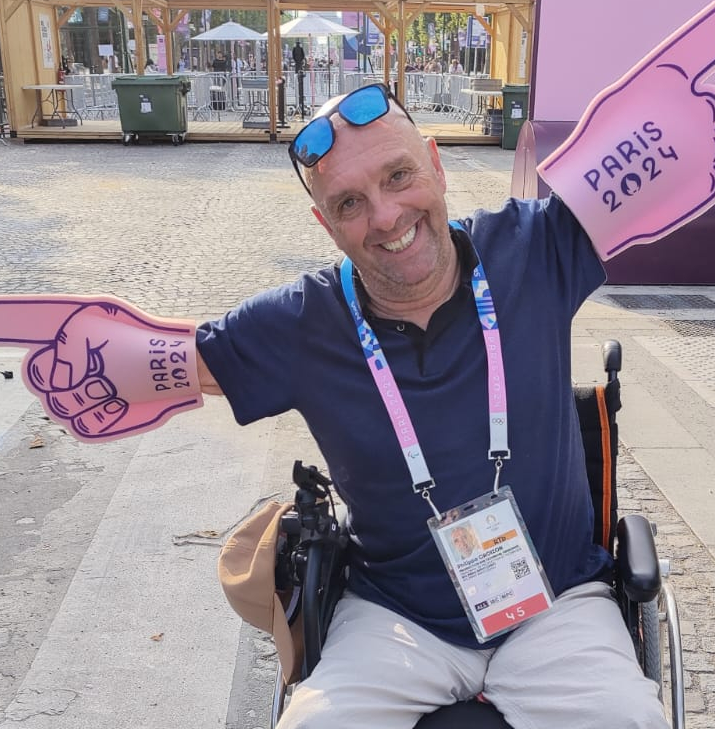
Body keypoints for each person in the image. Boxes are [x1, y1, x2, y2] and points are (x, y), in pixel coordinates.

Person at [198, 83, 668, 728]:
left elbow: (659, 157)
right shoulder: (302, 322)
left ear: (437, 163)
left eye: (399, 175)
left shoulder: (533, 250)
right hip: (397, 618)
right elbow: (170, 358)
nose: (386, 216)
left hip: (558, 604)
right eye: (350, 203)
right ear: (326, 223)